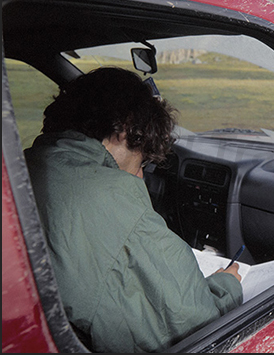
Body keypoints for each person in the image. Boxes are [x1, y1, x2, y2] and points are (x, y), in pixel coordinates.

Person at [24, 67, 243, 353]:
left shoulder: (25, 162)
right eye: (142, 163)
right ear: (124, 130)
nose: (140, 177)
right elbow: (189, 323)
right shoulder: (110, 195)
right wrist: (228, 285)